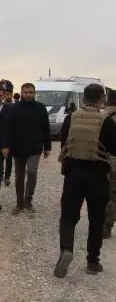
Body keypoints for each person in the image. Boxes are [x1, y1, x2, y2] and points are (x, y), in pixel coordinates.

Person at [54, 84, 116, 278]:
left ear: (84, 98)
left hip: (73, 174)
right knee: (96, 219)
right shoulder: (106, 122)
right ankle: (92, 261)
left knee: (68, 217)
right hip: (98, 176)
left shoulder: (70, 118)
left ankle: (66, 249)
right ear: (100, 99)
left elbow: (64, 143)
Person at [4, 83, 51, 215]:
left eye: (31, 92)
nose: (28, 94)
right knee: (19, 176)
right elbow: (7, 128)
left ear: (34, 93)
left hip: (35, 148)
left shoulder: (41, 108)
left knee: (31, 172)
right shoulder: (14, 108)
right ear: (21, 92)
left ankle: (28, 201)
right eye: (26, 92)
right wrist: (6, 146)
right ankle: (19, 203)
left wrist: (47, 147)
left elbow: (46, 128)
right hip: (18, 148)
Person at [104, 87, 116, 239]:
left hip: (102, 160)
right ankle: (107, 225)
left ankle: (104, 225)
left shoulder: (100, 116)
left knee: (105, 194)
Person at [0, 79, 15, 186]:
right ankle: (0, 174)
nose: (8, 96)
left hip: (10, 138)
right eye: (6, 94)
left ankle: (7, 177)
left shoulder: (15, 106)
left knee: (9, 159)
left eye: (10, 94)